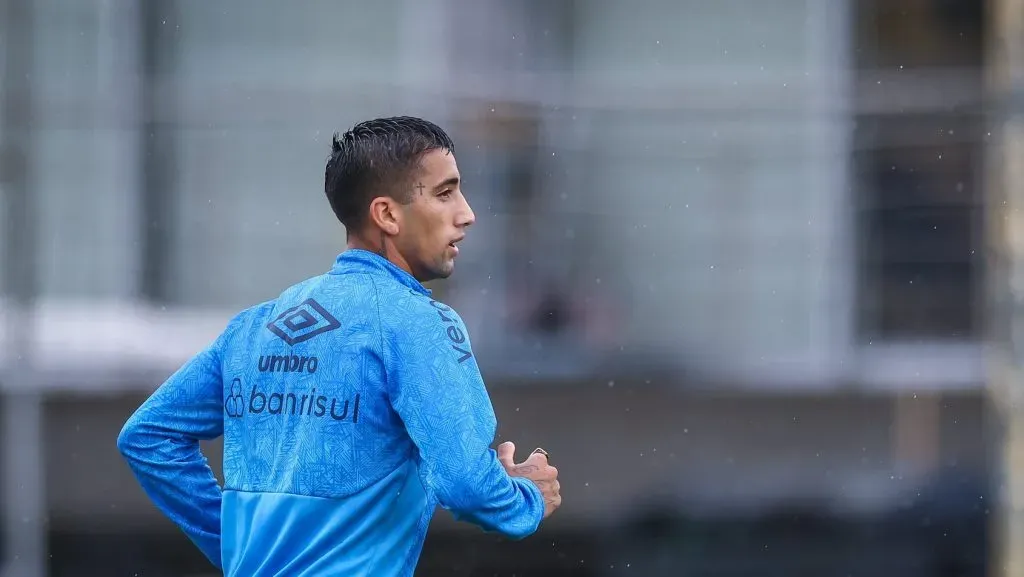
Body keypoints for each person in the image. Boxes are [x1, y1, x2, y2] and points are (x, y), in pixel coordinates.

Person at [117, 116, 562, 576]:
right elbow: (467, 485)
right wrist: (524, 497)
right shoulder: (416, 321)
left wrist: (237, 546)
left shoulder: (254, 326)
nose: (466, 213)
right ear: (388, 214)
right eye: (446, 193)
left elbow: (148, 438)